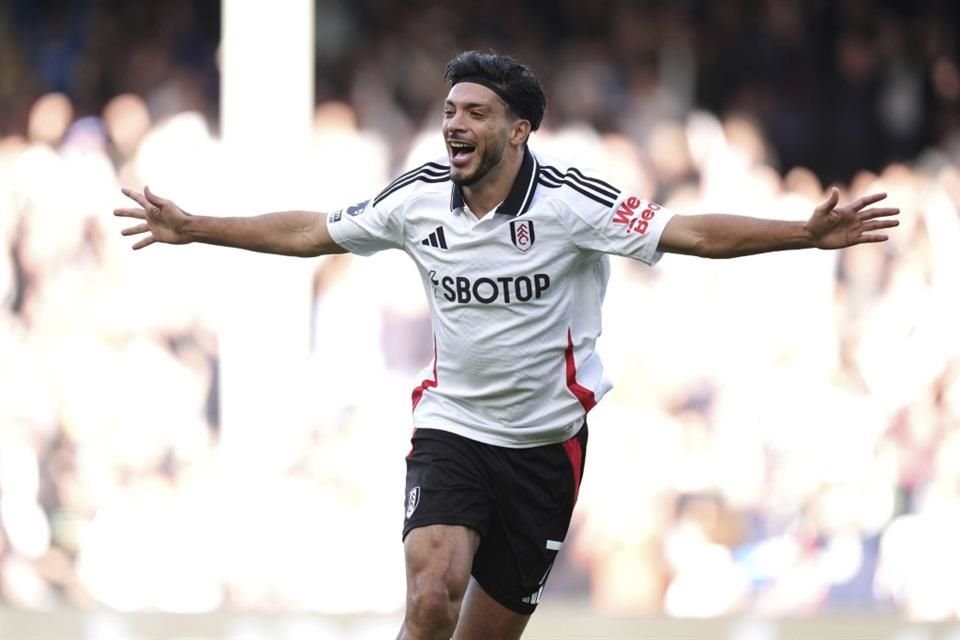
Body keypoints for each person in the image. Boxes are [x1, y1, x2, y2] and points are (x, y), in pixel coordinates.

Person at [113, 51, 899, 640]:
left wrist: (804, 234)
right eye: (451, 109)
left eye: (476, 112)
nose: (455, 123)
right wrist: (196, 227)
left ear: (519, 131)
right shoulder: (417, 197)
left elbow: (691, 232)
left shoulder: (573, 203)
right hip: (453, 429)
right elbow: (311, 232)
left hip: (543, 451)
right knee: (429, 600)